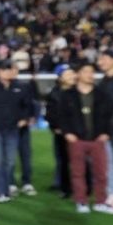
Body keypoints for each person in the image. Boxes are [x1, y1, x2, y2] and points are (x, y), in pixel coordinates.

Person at [56, 61, 113, 214]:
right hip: (77, 140)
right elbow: (61, 116)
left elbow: (109, 116)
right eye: (87, 71)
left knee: (101, 172)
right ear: (78, 74)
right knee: (78, 172)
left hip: (98, 139)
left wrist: (106, 132)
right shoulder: (68, 95)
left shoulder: (102, 94)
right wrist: (67, 133)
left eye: (91, 72)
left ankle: (101, 201)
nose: (90, 75)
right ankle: (81, 201)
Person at [0, 59, 33, 203]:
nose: (9, 72)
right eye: (5, 69)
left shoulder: (20, 87)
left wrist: (25, 118)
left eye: (10, 69)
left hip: (12, 129)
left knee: (9, 161)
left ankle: (6, 188)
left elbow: (27, 106)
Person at [45, 64, 76, 198]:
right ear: (60, 77)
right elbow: (50, 113)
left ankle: (83, 186)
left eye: (72, 73)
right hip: (61, 132)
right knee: (63, 160)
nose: (71, 76)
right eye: (67, 74)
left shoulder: (79, 91)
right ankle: (65, 187)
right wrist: (55, 127)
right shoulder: (55, 93)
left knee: (82, 160)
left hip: (78, 132)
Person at [11, 72, 38, 196]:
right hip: (8, 128)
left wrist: (28, 118)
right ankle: (10, 183)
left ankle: (26, 182)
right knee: (9, 157)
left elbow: (30, 104)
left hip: (23, 127)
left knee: (25, 155)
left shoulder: (23, 86)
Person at [98, 49, 113, 206]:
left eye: (103, 59)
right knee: (109, 161)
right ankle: (112, 194)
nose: (100, 62)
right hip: (107, 129)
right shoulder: (104, 81)